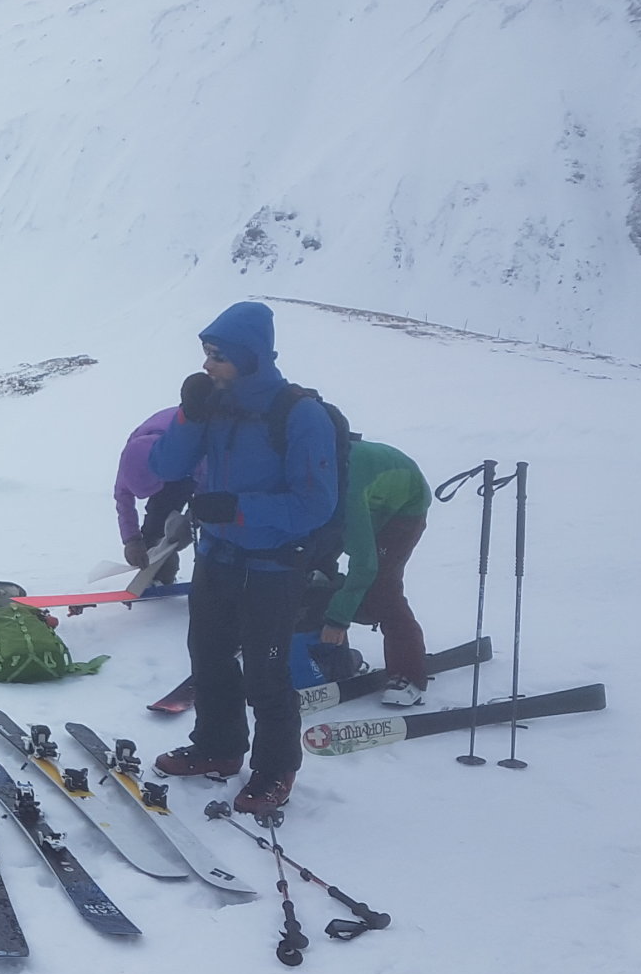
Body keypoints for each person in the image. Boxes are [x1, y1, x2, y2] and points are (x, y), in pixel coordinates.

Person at [147, 302, 340, 816]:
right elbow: (165, 465)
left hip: (273, 566)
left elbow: (316, 505)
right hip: (217, 557)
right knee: (208, 659)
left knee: (266, 673)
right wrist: (189, 414)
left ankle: (276, 769)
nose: (207, 364)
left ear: (250, 357)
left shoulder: (299, 414)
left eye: (218, 356)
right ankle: (218, 746)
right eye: (206, 353)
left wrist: (238, 509)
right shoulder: (215, 405)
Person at [319, 439, 432, 706]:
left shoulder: (348, 491)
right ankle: (331, 657)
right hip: (369, 493)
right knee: (315, 567)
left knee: (382, 585)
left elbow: (365, 562)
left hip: (406, 503)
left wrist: (338, 619)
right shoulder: (308, 480)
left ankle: (409, 675)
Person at [114, 408, 197, 583]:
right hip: (167, 455)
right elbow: (123, 497)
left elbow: (212, 487)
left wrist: (193, 518)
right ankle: (158, 572)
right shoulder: (132, 456)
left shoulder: (192, 440)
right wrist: (132, 540)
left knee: (217, 520)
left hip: (202, 456)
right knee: (156, 522)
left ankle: (214, 574)